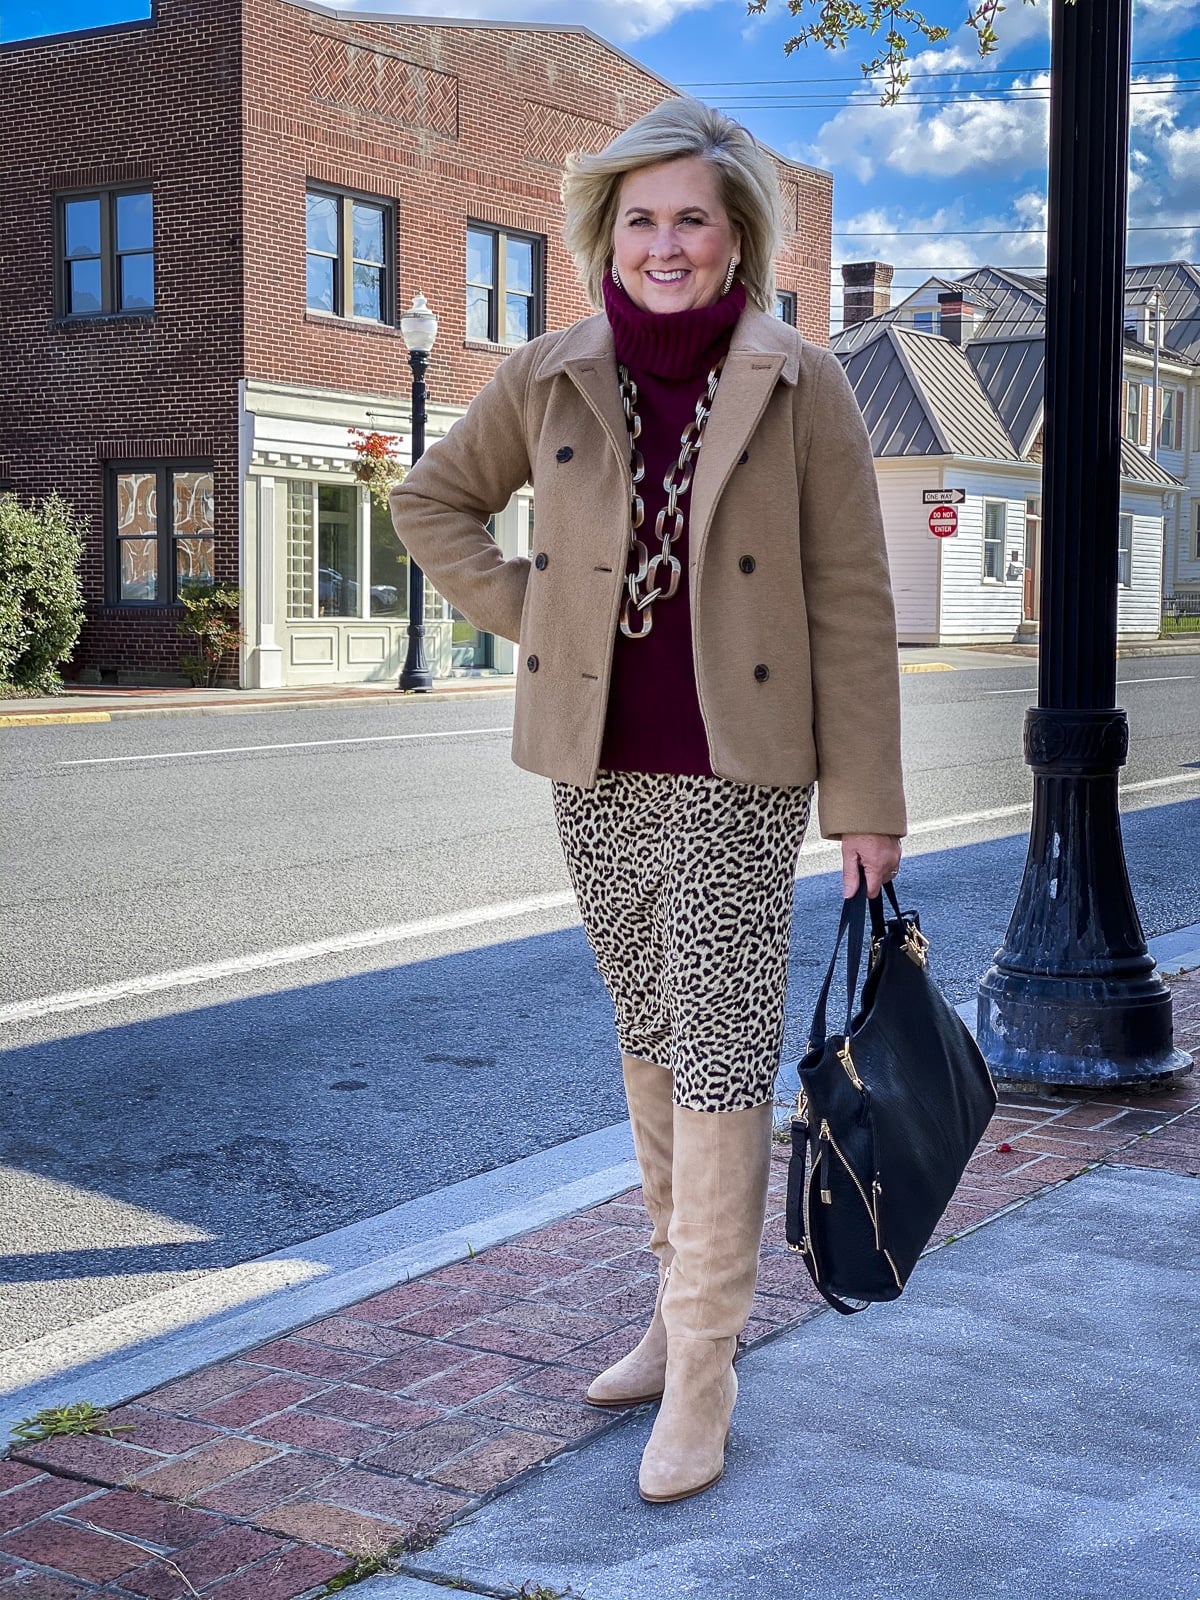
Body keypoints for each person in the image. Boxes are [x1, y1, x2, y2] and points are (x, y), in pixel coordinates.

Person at [390, 97, 906, 1505]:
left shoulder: (803, 382)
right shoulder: (551, 373)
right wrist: (543, 616)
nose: (666, 244)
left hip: (743, 772)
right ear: (603, 234)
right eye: (641, 220)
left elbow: (854, 603)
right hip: (597, 766)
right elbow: (429, 505)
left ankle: (707, 1369)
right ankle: (677, 1314)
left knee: (726, 1051)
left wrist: (868, 802)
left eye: (692, 218)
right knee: (653, 1040)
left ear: (735, 231)